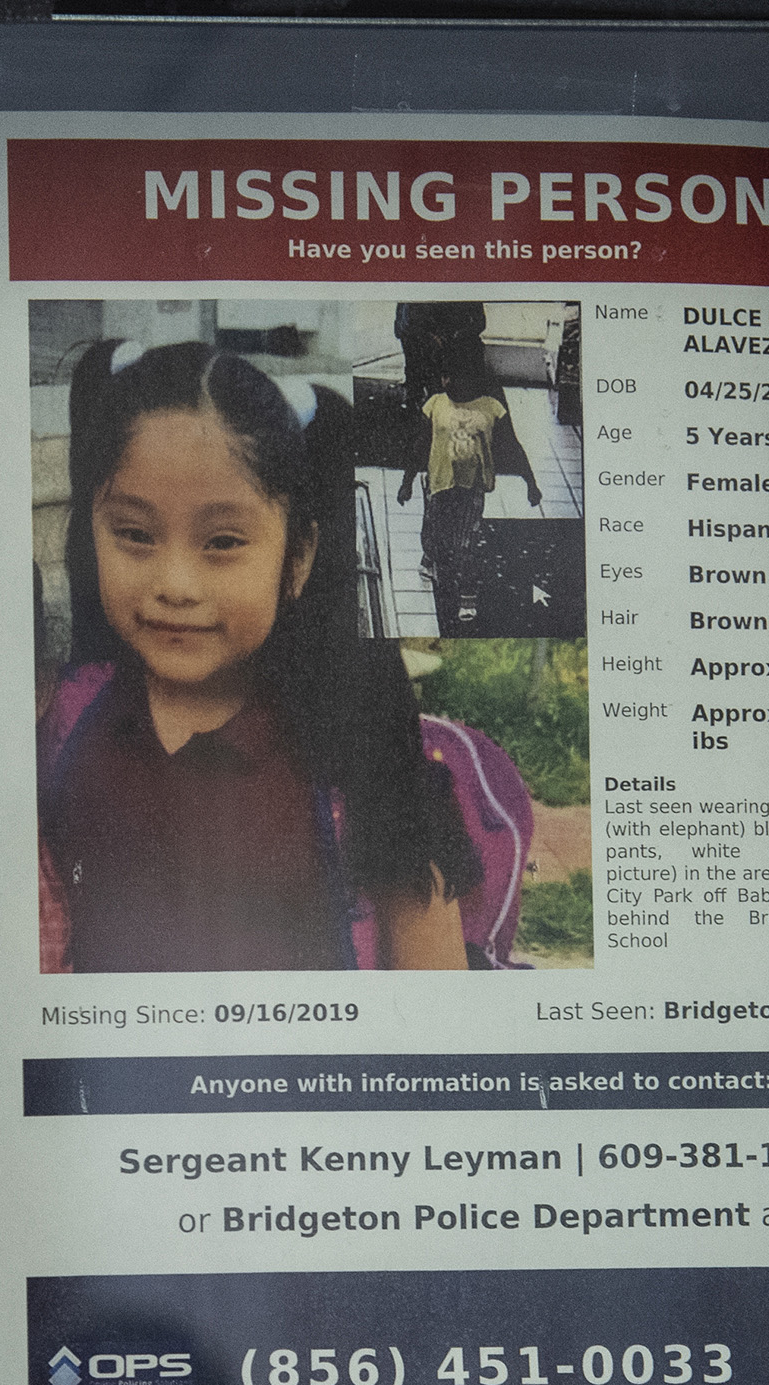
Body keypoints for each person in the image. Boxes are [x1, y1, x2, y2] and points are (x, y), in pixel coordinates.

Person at [38, 339, 479, 973]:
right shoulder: (62, 722)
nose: (175, 584)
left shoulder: (359, 752)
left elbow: (441, 1012)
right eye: (135, 534)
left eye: (222, 541)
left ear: (297, 559)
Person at [399, 368, 544, 626]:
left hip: (472, 488)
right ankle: (429, 555)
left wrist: (530, 483)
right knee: (433, 533)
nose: (445, 380)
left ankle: (467, 597)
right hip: (438, 483)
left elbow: (512, 444)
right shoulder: (436, 403)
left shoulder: (490, 408)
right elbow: (420, 443)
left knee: (466, 543)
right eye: (443, 375)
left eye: (451, 375)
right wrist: (407, 481)